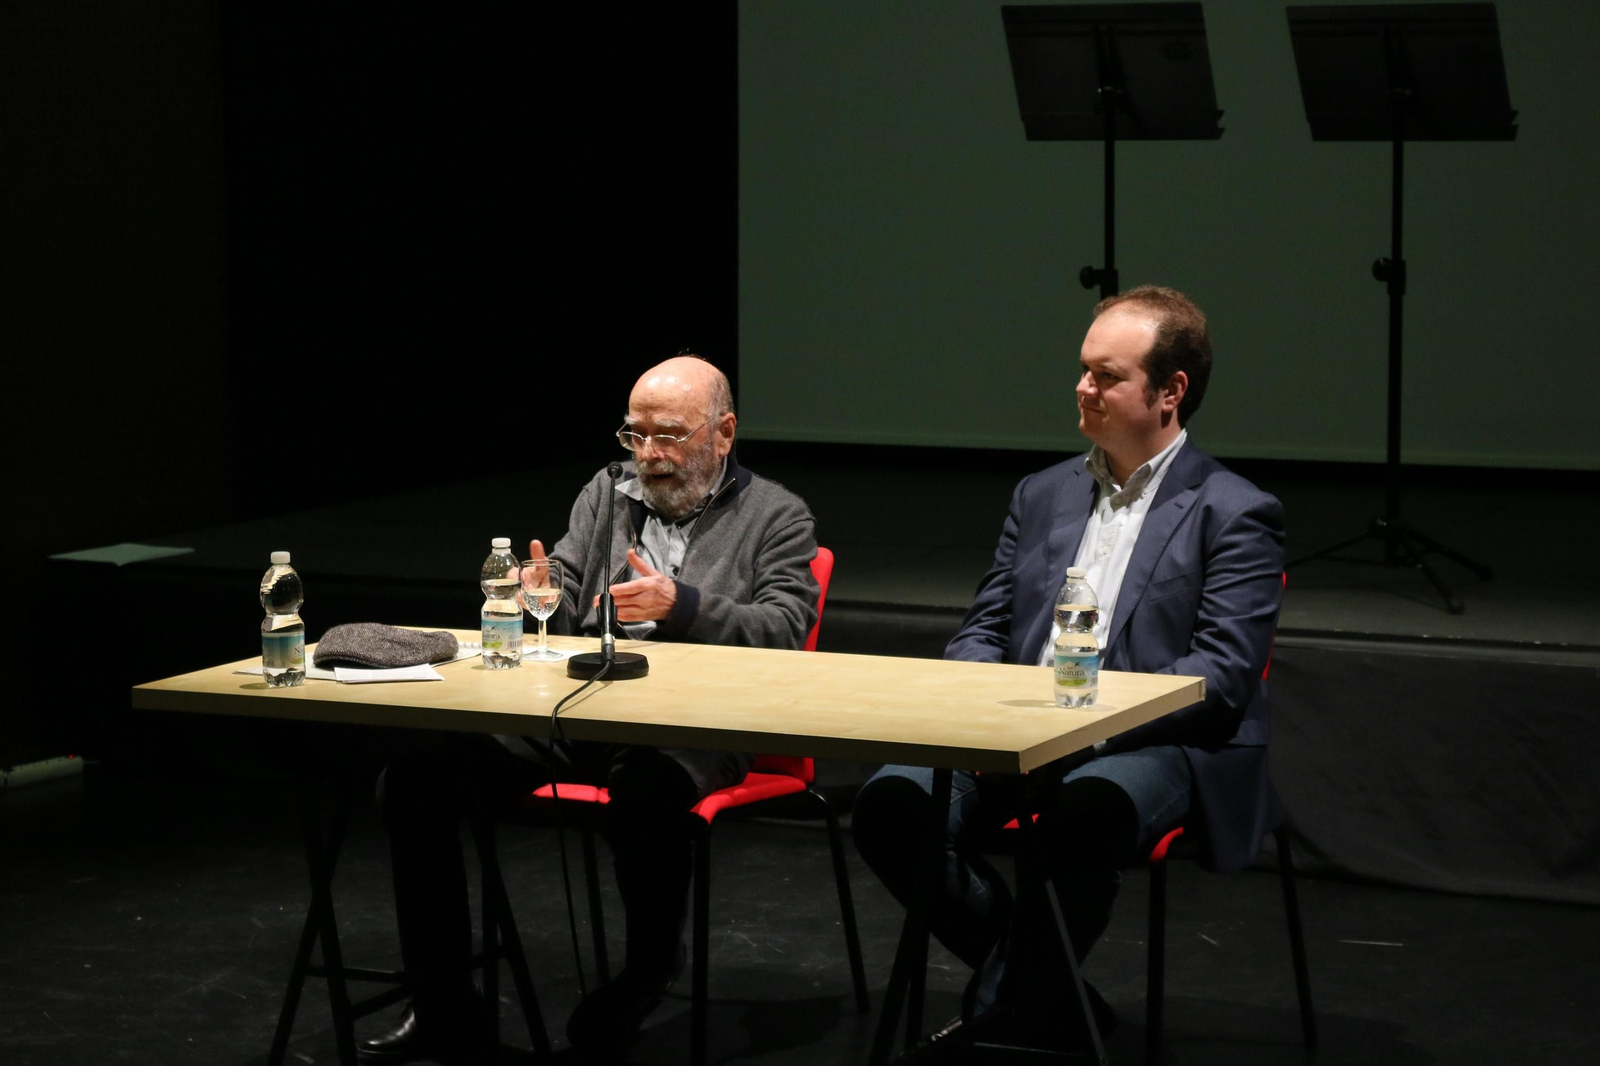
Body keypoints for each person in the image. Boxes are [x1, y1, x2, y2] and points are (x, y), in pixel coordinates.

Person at [852, 285, 1285, 1051]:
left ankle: (1010, 1010)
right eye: (1083, 370)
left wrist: (1085, 732)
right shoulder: (1042, 493)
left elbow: (1221, 678)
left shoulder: (1234, 509)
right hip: (1021, 731)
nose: (1082, 388)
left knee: (1087, 807)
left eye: (1106, 376)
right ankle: (1046, 994)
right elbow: (982, 629)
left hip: (1159, 743)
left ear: (1170, 392)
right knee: (891, 803)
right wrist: (992, 713)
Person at [360, 356, 819, 1065]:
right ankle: (443, 1002)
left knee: (646, 791)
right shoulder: (606, 493)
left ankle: (647, 970)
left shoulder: (777, 515)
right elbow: (570, 588)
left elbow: (787, 628)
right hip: (582, 709)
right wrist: (538, 588)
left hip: (698, 723)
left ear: (723, 433)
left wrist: (682, 604)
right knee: (417, 778)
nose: (649, 456)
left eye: (668, 437)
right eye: (634, 436)